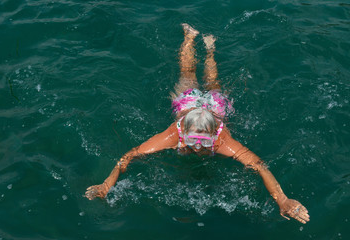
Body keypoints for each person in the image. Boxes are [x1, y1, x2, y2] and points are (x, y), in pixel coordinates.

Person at [85, 23, 310, 224]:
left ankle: (210, 48)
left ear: (214, 134)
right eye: (193, 139)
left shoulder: (223, 140)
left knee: (213, 82)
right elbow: (130, 155)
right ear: (183, 130)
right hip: (188, 102)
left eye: (204, 140)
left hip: (215, 108)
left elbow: (260, 166)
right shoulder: (173, 134)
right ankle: (190, 37)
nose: (199, 146)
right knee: (188, 72)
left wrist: (283, 199)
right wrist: (106, 185)